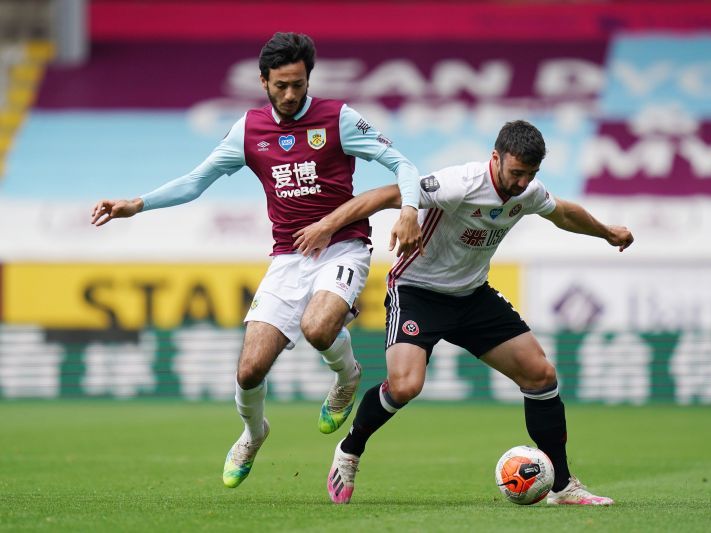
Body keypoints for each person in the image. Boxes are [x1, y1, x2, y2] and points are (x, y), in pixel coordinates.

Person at [90, 32, 423, 489]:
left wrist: (408, 208)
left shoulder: (339, 118)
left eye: (299, 84)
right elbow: (196, 181)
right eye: (281, 85)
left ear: (309, 80)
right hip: (288, 257)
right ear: (263, 81)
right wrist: (136, 204)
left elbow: (403, 165)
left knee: (319, 327)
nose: (291, 94)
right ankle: (253, 433)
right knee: (249, 370)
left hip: (343, 245)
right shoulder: (248, 130)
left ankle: (347, 376)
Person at [293, 120, 634, 505]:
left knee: (541, 375)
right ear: (496, 158)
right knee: (405, 385)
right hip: (417, 291)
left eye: (531, 175)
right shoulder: (461, 184)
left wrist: (606, 232)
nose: (522, 183)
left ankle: (562, 486)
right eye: (516, 172)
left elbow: (564, 214)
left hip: (472, 296)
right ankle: (350, 450)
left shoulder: (528, 192)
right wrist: (327, 225)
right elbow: (383, 195)